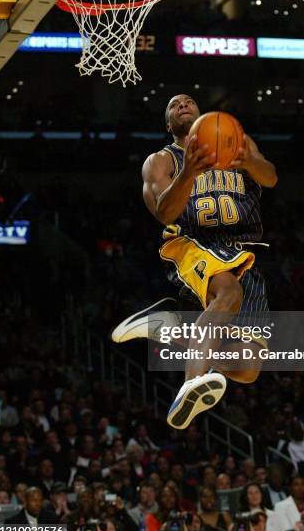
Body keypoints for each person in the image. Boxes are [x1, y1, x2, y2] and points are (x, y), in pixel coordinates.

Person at [112, 93, 277, 429]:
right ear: (169, 124)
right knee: (228, 294)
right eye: (174, 105)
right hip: (192, 242)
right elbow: (163, 212)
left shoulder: (236, 141)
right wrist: (187, 172)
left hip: (241, 247)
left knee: (248, 366)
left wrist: (248, 163)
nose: (182, 105)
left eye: (188, 101)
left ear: (204, 113)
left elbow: (270, 177)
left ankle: (169, 328)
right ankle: (191, 382)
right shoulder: (161, 161)